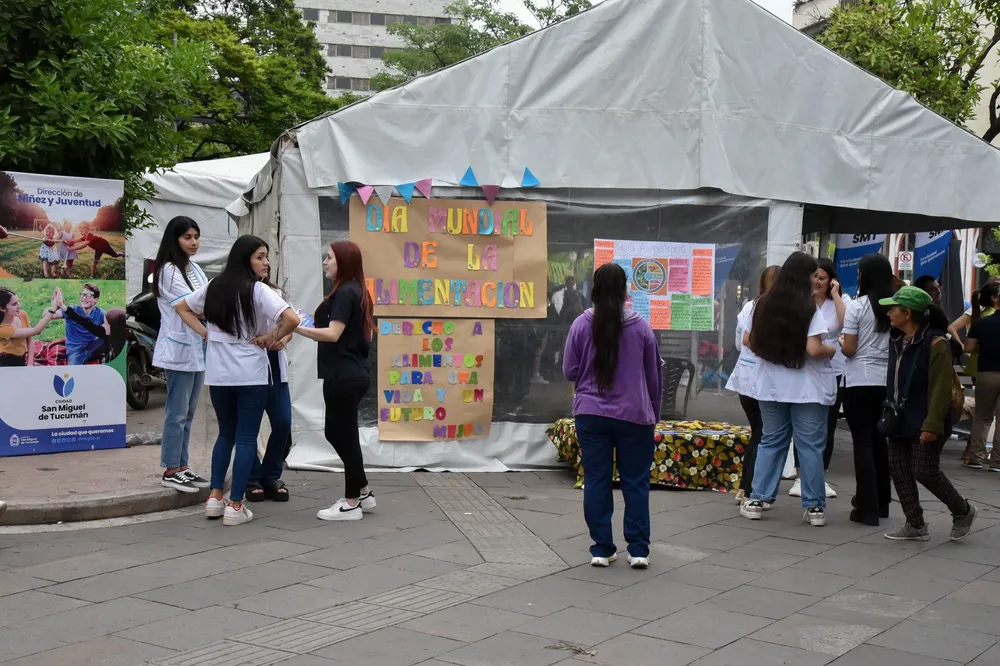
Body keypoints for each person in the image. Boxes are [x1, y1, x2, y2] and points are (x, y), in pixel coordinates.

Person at [176, 235, 299, 526]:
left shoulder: (214, 286)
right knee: (245, 438)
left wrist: (206, 333)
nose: (265, 262)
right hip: (250, 373)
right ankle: (235, 505)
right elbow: (292, 319)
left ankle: (215, 498)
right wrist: (271, 336)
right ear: (246, 259)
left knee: (225, 435)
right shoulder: (258, 290)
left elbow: (181, 307)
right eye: (260, 256)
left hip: (219, 374)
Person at [563, 263, 663, 569]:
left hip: (591, 415)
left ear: (594, 289)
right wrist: (653, 413)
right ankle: (639, 549)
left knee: (596, 481)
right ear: (625, 290)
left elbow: (569, 370)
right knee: (636, 482)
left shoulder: (580, 325)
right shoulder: (641, 327)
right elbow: (653, 377)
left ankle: (602, 549)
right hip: (634, 416)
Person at [740, 252, 836, 527]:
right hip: (807, 388)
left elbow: (749, 340)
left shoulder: (763, 304)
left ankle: (758, 498)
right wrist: (832, 348)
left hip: (770, 386)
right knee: (810, 446)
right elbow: (814, 349)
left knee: (771, 440)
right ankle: (815, 507)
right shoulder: (808, 308)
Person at [880, 286, 977, 541]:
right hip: (899, 415)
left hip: (925, 418)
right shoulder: (897, 339)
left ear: (908, 313)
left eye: (893, 308)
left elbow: (941, 390)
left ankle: (962, 510)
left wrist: (932, 425)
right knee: (898, 468)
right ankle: (915, 523)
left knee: (924, 470)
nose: (888, 312)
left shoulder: (936, 343)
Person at [294, 241, 376, 521]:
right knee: (338, 433)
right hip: (350, 373)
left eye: (329, 257)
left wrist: (298, 327)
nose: (325, 262)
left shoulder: (345, 293)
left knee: (344, 435)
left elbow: (332, 334)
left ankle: (351, 502)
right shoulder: (359, 291)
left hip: (343, 375)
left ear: (343, 261)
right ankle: (362, 490)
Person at [151, 216, 210, 493]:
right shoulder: (167, 271)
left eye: (196, 236)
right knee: (176, 413)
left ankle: (183, 466)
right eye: (187, 237)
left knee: (188, 411)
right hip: (179, 349)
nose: (194, 242)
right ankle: (170, 468)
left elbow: (206, 302)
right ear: (174, 239)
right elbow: (193, 306)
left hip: (197, 348)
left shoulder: (195, 268)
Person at [841, 254, 894, 526]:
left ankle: (866, 506)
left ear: (864, 275)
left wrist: (840, 342)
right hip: (887, 382)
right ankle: (883, 502)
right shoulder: (896, 307)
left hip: (859, 382)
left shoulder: (857, 306)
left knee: (862, 443)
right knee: (879, 443)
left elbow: (849, 349)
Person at [790, 258, 845, 499]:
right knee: (802, 424)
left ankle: (820, 475)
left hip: (834, 368)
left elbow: (847, 325)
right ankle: (800, 476)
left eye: (823, 279)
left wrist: (837, 294)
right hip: (804, 368)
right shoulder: (802, 302)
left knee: (827, 425)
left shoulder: (838, 304)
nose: (818, 283)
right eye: (815, 278)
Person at [727, 265, 780, 506]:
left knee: (758, 432)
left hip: (744, 378)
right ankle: (748, 488)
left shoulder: (749, 306)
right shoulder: (777, 309)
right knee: (763, 434)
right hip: (763, 379)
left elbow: (739, 344)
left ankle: (744, 487)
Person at [246, 276, 293, 502]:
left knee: (283, 421)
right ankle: (253, 478)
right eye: (259, 258)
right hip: (249, 368)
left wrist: (284, 338)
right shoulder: (237, 293)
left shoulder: (276, 293)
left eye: (266, 257)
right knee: (249, 427)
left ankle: (271, 475)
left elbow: (291, 325)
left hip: (275, 367)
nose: (265, 263)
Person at [964, 281, 1000, 473]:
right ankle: (997, 462)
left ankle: (976, 457)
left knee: (982, 418)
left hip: (986, 373)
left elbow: (968, 348)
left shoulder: (982, 324)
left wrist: (984, 347)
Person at [0, 287, 60, 366]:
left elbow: (30, 339)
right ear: (2, 308)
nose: (19, 305)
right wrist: (52, 309)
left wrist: (30, 363)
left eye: (18, 302)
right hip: (6, 362)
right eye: (14, 304)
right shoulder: (3, 329)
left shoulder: (22, 315)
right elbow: (36, 330)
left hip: (22, 357)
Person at [50, 283, 106, 365]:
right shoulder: (73, 310)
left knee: (111, 337)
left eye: (88, 296)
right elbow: (49, 316)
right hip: (75, 351)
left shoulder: (100, 313)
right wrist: (54, 307)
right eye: (82, 295)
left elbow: (114, 321)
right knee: (73, 372)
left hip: (92, 346)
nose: (84, 298)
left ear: (96, 299)